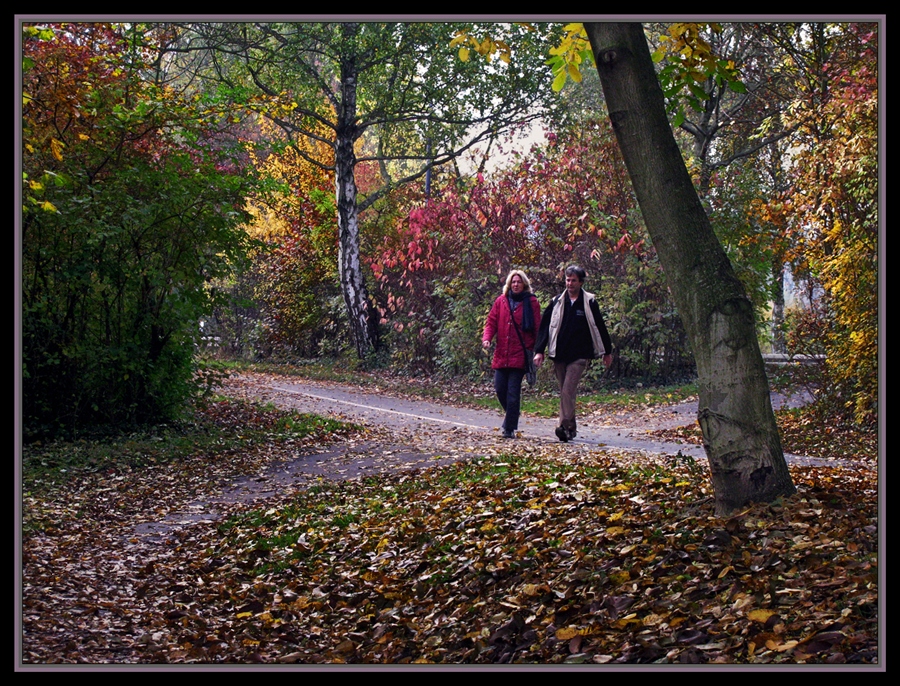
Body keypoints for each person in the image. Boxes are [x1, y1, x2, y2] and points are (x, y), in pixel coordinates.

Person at [533, 265, 613, 442]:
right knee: (565, 392)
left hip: (579, 355)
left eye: (573, 280)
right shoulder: (556, 302)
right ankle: (570, 429)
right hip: (559, 354)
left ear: (581, 282)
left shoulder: (589, 302)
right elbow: (545, 327)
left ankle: (563, 427)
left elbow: (600, 326)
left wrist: (607, 351)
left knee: (567, 391)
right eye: (567, 280)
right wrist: (539, 351)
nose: (570, 283)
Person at [482, 270, 542, 438]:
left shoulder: (531, 302)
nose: (516, 284)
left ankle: (509, 428)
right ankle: (512, 414)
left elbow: (538, 327)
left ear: (524, 284)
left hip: (520, 354)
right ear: (509, 284)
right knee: (500, 389)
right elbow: (491, 322)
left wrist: (539, 350)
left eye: (519, 282)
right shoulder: (501, 301)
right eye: (513, 282)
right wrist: (487, 338)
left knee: (513, 392)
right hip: (502, 353)